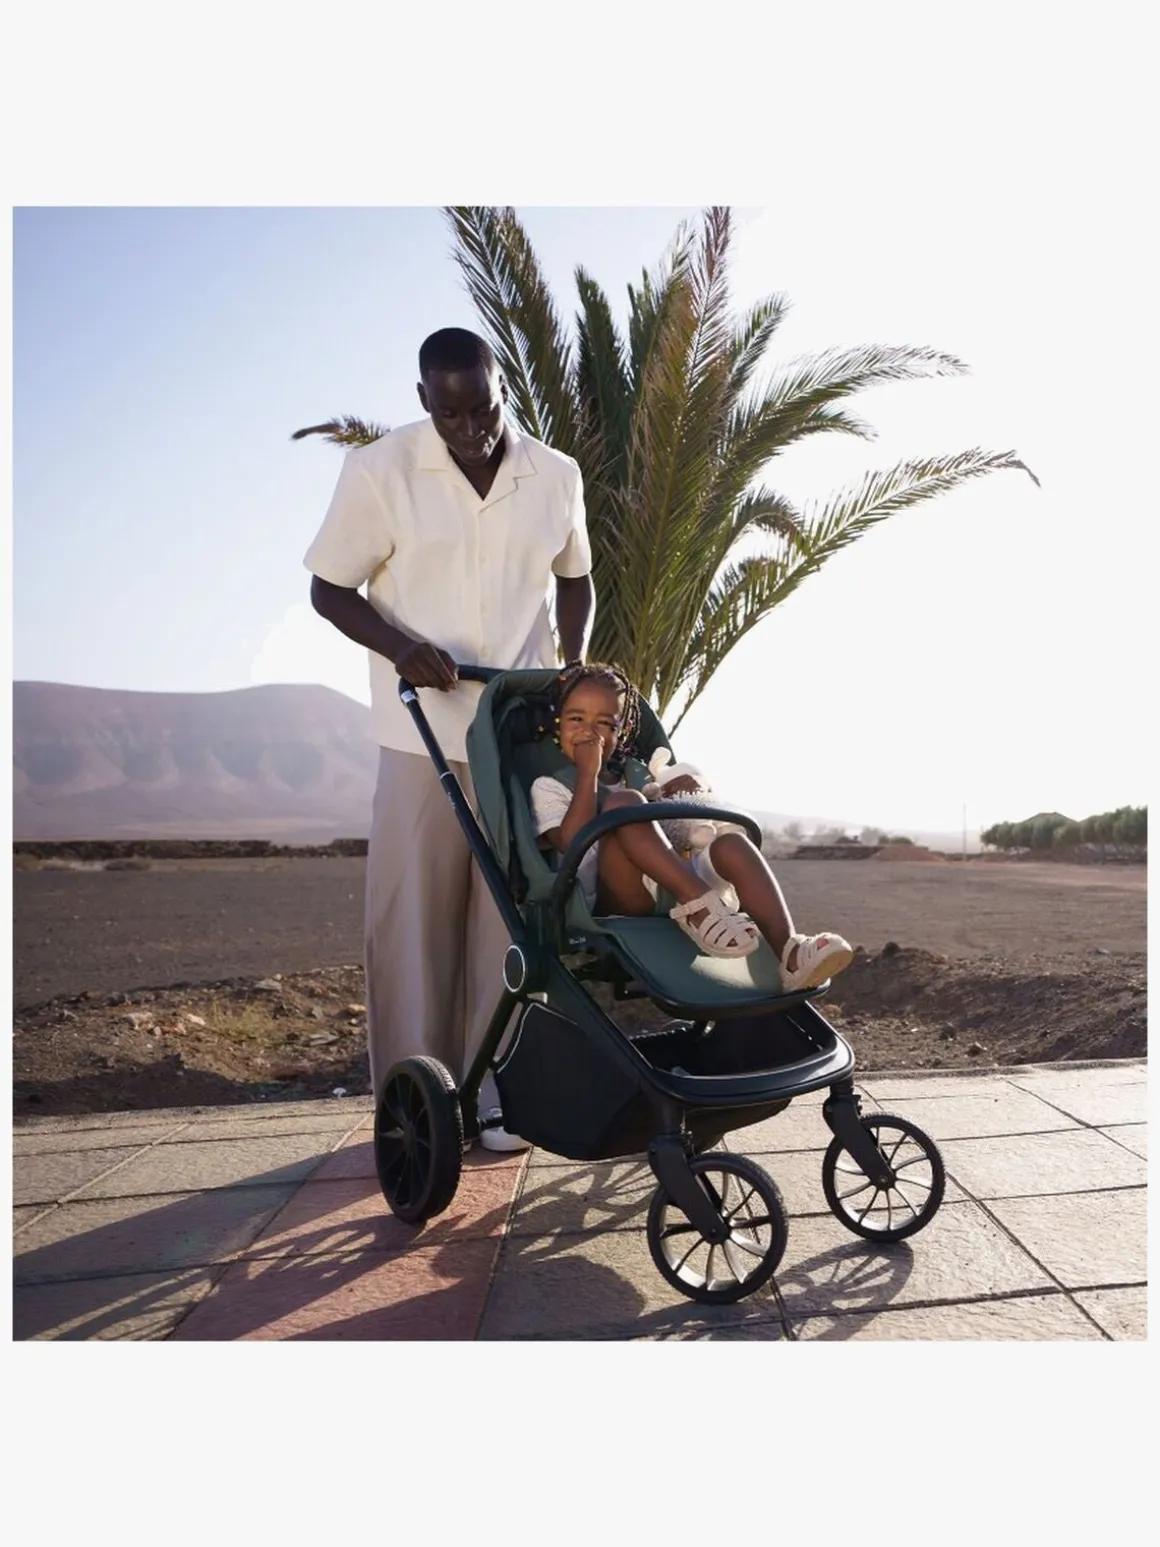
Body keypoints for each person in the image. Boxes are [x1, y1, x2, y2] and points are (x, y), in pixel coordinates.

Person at [304, 328, 595, 1151]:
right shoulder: (380, 470)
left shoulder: (556, 475)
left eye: (485, 408)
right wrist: (402, 646)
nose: (472, 428)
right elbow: (330, 588)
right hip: (419, 734)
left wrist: (572, 664)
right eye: (451, 412)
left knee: (510, 922)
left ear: (503, 388)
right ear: (424, 400)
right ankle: (415, 1103)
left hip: (516, 731)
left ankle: (496, 1091)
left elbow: (576, 578)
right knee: (415, 922)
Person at [529, 663, 854, 989]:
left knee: (732, 845)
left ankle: (790, 951)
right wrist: (588, 773)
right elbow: (572, 842)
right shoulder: (550, 787)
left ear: (621, 731)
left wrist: (690, 795)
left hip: (673, 882)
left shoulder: (640, 775)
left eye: (604, 723)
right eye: (576, 719)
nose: (590, 732)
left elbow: (684, 826)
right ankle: (700, 906)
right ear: (558, 724)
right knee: (623, 805)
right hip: (619, 897)